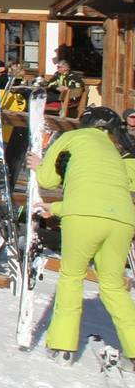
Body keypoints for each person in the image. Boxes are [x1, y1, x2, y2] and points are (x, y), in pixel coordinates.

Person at [30, 105, 135, 367]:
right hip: (123, 220)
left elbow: (48, 180)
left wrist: (39, 165)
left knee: (72, 277)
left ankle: (63, 345)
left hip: (83, 217)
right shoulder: (114, 152)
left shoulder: (72, 137)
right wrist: (53, 209)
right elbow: (102, 195)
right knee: (112, 284)